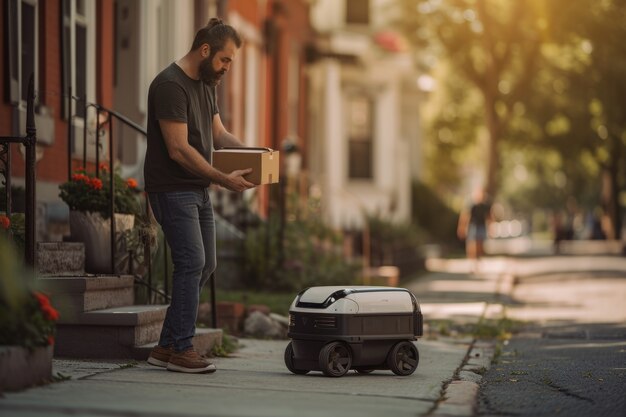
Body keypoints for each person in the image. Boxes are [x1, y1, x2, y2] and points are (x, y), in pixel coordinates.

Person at [144, 18, 255, 374]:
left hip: (196, 190)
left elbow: (219, 135)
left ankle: (165, 346)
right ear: (205, 50)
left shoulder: (207, 84)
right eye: (225, 60)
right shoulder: (169, 85)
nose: (226, 68)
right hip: (172, 189)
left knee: (206, 264)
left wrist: (259, 155)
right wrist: (223, 178)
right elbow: (178, 149)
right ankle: (182, 349)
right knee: (191, 262)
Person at [457, 188, 493, 269]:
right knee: (472, 244)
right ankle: (472, 261)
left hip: (481, 226)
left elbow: (489, 216)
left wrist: (491, 227)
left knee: (480, 244)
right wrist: (462, 227)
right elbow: (465, 216)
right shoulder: (471, 205)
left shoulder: (485, 205)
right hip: (472, 225)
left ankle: (478, 259)